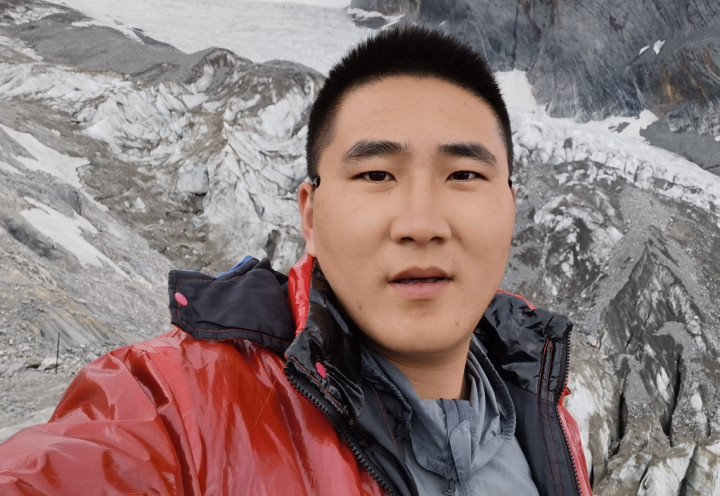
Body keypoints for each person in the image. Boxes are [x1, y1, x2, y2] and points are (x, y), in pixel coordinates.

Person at [0, 26, 593, 495]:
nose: (420, 224)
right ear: (310, 216)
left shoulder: (544, 412)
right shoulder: (178, 407)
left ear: (511, 206)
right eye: (376, 175)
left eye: (463, 175)